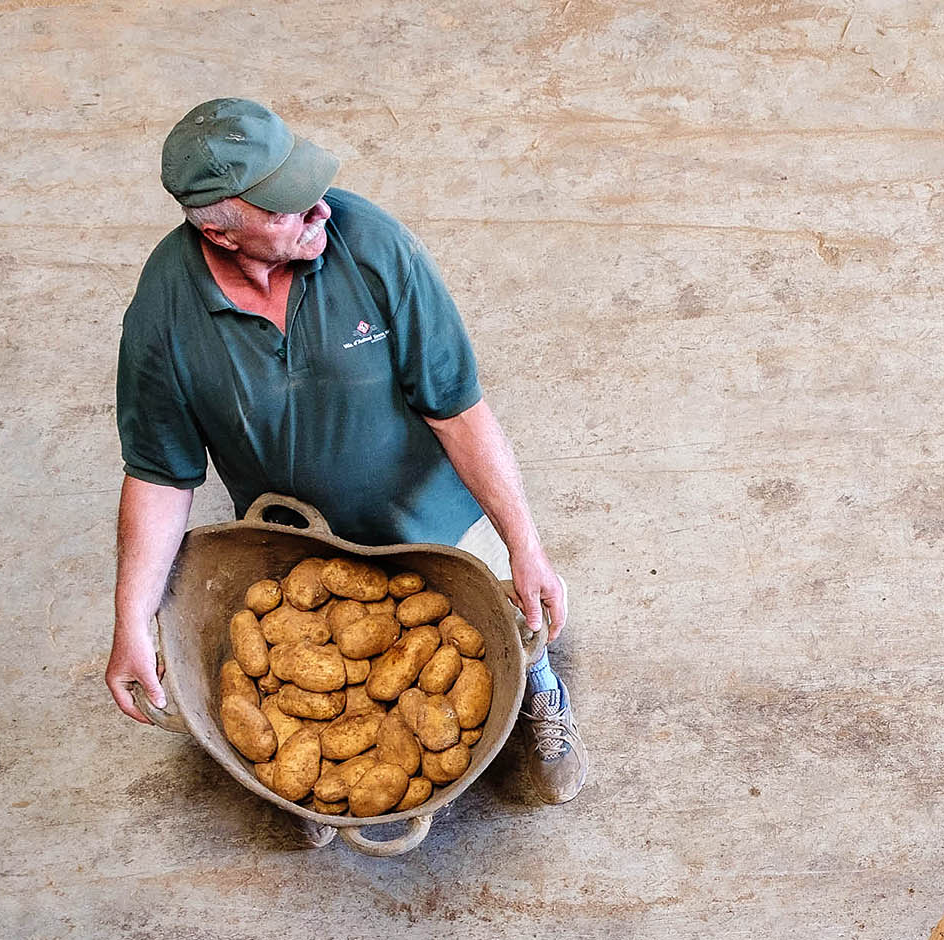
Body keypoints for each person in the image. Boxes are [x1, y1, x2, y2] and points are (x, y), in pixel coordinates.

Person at [103, 98, 588, 838]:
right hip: (302, 545)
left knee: (513, 618)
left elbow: (457, 407)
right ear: (217, 229)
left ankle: (542, 692)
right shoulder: (164, 315)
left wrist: (526, 542)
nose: (319, 210)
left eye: (310, 188)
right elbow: (162, 476)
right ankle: (315, 782)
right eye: (287, 208)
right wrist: (131, 619)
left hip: (432, 514)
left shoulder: (372, 246)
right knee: (294, 678)